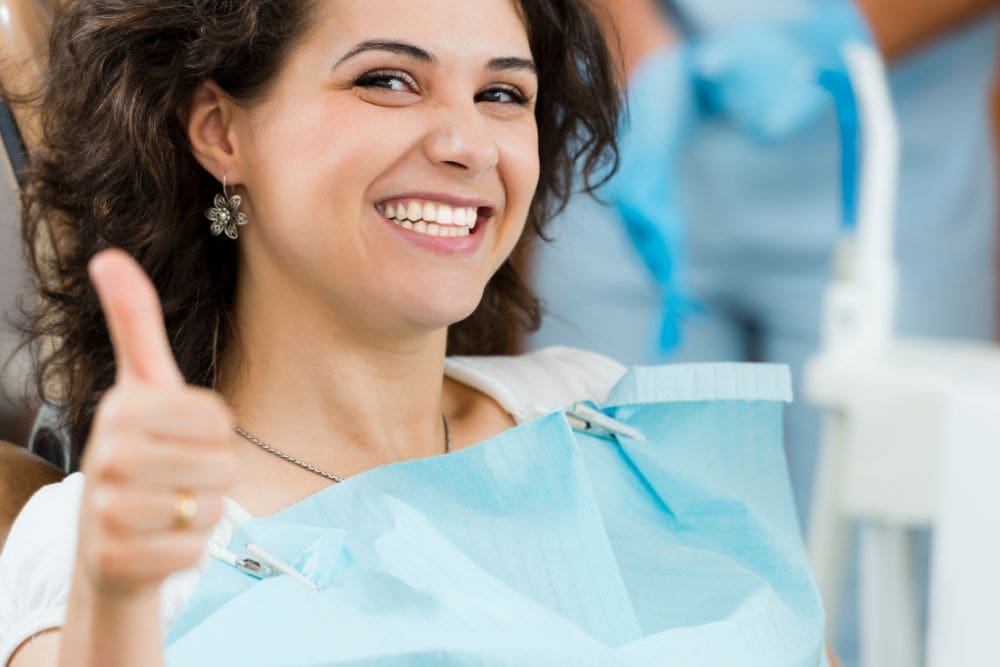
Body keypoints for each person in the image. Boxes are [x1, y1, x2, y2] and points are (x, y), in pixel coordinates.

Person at [0, 1, 827, 665]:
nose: (467, 144)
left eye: (503, 94)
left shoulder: (610, 414)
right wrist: (115, 606)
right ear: (221, 131)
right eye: (388, 80)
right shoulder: (116, 543)